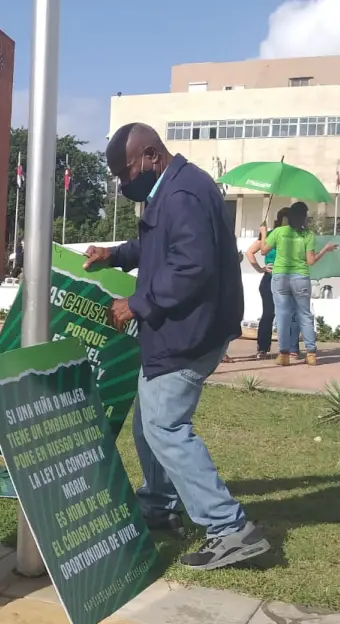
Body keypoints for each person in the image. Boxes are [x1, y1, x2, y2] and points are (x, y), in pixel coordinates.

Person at [84, 122, 271, 570]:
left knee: (166, 427)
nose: (125, 183)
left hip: (188, 332)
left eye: (126, 172)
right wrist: (116, 255)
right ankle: (159, 504)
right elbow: (156, 245)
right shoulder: (174, 188)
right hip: (183, 328)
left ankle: (230, 528)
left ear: (150, 155)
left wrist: (138, 302)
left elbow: (191, 267)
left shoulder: (184, 193)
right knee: (149, 422)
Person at [260, 201, 337, 367]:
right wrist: (325, 250)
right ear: (304, 217)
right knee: (304, 314)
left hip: (280, 276)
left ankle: (284, 354)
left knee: (282, 315)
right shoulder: (308, 235)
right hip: (300, 277)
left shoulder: (279, 232)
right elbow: (311, 261)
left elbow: (263, 251)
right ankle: (311, 354)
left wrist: (264, 233)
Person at [245, 208, 301, 358]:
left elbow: (264, 250)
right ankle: (262, 348)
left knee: (289, 313)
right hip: (270, 277)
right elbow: (250, 252)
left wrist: (264, 233)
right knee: (268, 313)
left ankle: (291, 348)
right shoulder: (271, 235)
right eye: (285, 218)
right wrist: (260, 269)